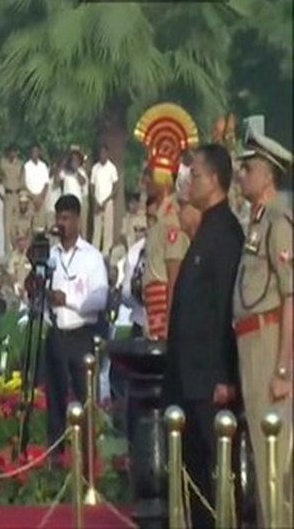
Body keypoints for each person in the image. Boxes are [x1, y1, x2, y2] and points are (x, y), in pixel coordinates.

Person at [165, 143, 244, 529]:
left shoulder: (225, 231)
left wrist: (226, 376)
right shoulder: (205, 230)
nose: (189, 181)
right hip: (188, 376)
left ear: (214, 180)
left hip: (209, 379)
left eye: (195, 174)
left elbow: (226, 310)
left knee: (217, 471)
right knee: (191, 472)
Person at [233, 130, 293, 527]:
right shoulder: (255, 223)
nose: (241, 174)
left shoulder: (278, 221)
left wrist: (284, 368)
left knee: (274, 457)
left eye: (248, 168)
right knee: (259, 451)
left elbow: (291, 295)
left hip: (269, 342)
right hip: (250, 342)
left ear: (268, 175)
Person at [43, 194, 109, 454]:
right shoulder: (50, 256)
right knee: (56, 400)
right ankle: (56, 457)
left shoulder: (91, 257)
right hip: (57, 333)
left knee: (85, 400)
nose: (62, 224)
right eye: (59, 218)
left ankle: (88, 461)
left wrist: (67, 299)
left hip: (82, 334)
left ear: (78, 221)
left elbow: (99, 298)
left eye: (67, 218)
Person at [134, 104, 198, 341]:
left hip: (163, 305)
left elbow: (175, 276)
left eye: (149, 176)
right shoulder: (158, 218)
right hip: (152, 305)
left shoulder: (172, 220)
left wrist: (170, 323)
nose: (144, 182)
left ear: (162, 179)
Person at [90, 145, 119, 255]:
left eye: (104, 153)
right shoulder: (95, 168)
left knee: (108, 228)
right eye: (101, 153)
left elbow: (115, 187)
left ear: (107, 154)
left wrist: (106, 200)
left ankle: (106, 250)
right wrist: (95, 200)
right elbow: (92, 185)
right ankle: (95, 249)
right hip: (97, 201)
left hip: (108, 201)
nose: (102, 155)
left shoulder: (112, 168)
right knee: (97, 227)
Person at [1, 146, 24, 254]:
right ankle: (7, 250)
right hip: (8, 195)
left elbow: (22, 181)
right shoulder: (3, 164)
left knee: (17, 224)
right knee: (7, 224)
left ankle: (16, 249)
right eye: (11, 152)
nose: (13, 154)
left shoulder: (20, 164)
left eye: (14, 152)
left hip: (17, 195)